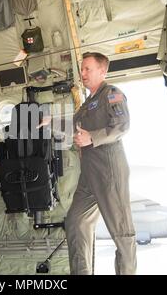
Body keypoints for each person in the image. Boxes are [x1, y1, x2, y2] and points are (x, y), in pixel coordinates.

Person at [65, 52, 137, 275]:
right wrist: (50, 120)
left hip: (109, 171)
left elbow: (122, 125)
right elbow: (74, 126)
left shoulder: (112, 94)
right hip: (89, 175)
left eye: (88, 68)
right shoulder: (88, 103)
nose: (83, 73)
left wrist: (92, 137)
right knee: (75, 222)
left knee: (122, 233)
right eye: (82, 69)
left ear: (102, 71)